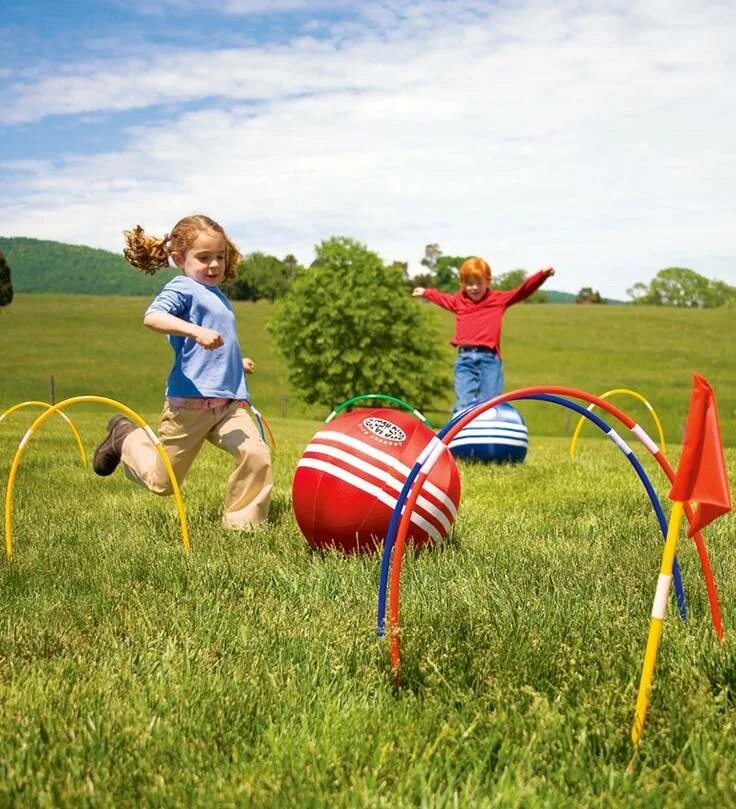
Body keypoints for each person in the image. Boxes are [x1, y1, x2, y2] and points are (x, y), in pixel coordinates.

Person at [93, 214, 272, 531]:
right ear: (178, 258)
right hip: (188, 408)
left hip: (229, 406)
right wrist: (195, 331)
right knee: (162, 482)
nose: (215, 265)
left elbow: (218, 341)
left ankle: (242, 527)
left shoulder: (218, 294)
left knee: (256, 454)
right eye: (204, 258)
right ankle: (125, 437)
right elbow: (153, 317)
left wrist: (235, 361)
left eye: (220, 256)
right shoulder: (183, 287)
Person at [412, 257, 555, 414]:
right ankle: (460, 435)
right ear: (463, 284)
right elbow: (442, 299)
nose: (474, 288)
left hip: (490, 360)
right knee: (463, 403)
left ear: (488, 282)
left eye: (479, 283)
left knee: (491, 404)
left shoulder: (498, 300)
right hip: (464, 359)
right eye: (469, 284)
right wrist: (426, 292)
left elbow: (523, 290)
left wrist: (542, 275)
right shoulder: (459, 301)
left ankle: (491, 433)